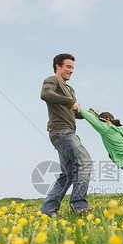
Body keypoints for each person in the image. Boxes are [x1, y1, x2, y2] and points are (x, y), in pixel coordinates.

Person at [39, 54, 92, 216]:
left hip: (65, 132)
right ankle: (79, 205)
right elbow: (45, 94)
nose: (71, 71)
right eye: (68, 67)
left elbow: (73, 112)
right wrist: (69, 101)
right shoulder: (53, 81)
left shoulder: (69, 89)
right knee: (85, 162)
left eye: (72, 68)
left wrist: (88, 114)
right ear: (58, 67)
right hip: (61, 131)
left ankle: (48, 211)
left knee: (68, 174)